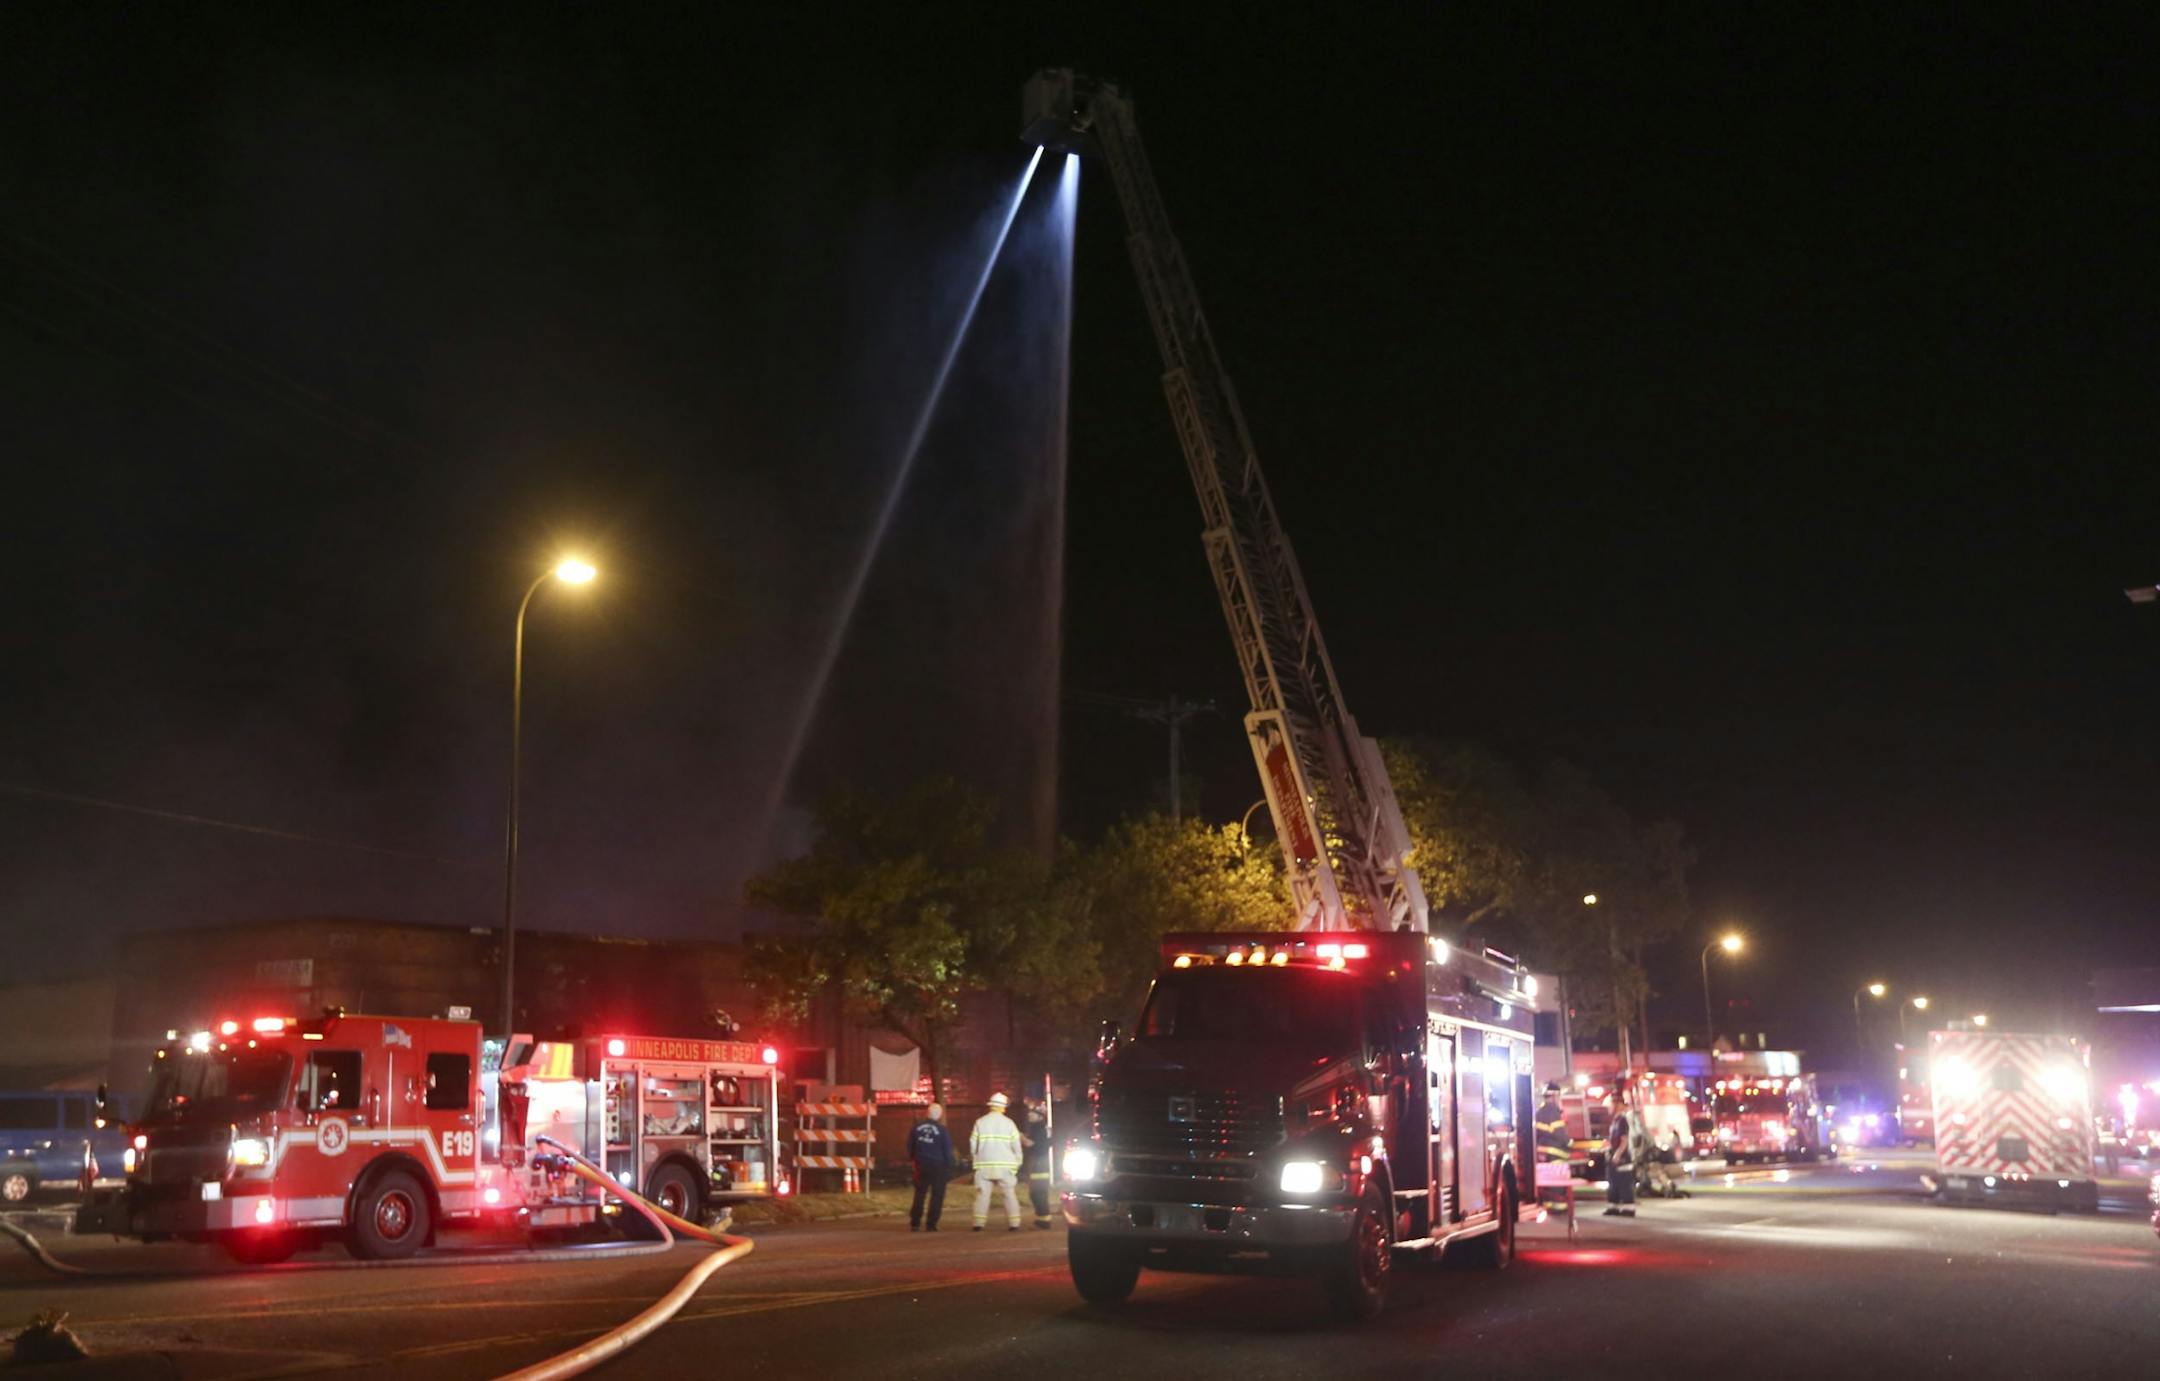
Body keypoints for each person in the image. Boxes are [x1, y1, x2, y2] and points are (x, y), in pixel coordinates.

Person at [970, 1092, 1025, 1231]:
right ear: (1003, 1107)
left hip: (984, 1164)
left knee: (982, 1194)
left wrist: (975, 1157)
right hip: (1005, 1165)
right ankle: (1014, 1223)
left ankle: (978, 1223)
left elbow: (973, 1143)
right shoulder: (1009, 1123)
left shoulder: (980, 1122)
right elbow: (1016, 1145)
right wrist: (1017, 1162)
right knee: (1009, 1194)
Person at [906, 1103, 955, 1232]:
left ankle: (915, 1222)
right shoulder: (942, 1130)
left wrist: (914, 1159)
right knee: (937, 1195)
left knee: (920, 1193)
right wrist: (949, 1165)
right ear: (939, 1115)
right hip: (938, 1166)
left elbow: (910, 1146)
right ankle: (931, 1223)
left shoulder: (916, 1128)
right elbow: (948, 1150)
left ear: (927, 1113)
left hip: (921, 1165)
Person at [1021, 1096, 1055, 1229]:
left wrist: (1022, 1138)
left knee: (1038, 1192)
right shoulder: (1039, 1128)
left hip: (1039, 1163)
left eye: (1032, 1113)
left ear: (1040, 1116)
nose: (1029, 1115)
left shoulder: (1039, 1129)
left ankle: (1045, 1220)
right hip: (1039, 1162)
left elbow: (1035, 1145)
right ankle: (1042, 1218)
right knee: (1036, 1192)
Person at [1603, 1089, 1637, 1217]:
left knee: (1624, 1184)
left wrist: (1617, 1154)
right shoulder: (1615, 1121)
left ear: (1618, 1105)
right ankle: (1613, 1207)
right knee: (1614, 1183)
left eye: (1611, 1104)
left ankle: (1629, 1208)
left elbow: (1624, 1140)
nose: (1609, 1107)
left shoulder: (1622, 1120)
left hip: (1622, 1158)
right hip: (1614, 1156)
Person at [1534, 1083, 1571, 1168]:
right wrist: (1571, 1144)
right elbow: (1560, 1134)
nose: (1559, 1099)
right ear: (1554, 1096)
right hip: (1556, 1156)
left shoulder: (1540, 1113)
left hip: (1544, 1155)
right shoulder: (1553, 1111)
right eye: (1559, 1096)